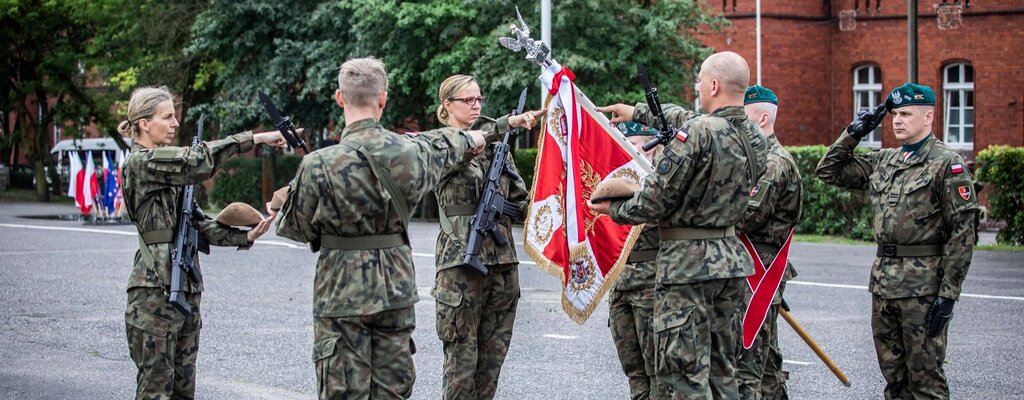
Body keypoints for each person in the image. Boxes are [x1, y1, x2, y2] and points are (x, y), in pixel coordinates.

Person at [274, 57, 493, 399]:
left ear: (339, 98)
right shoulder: (411, 151)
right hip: (396, 287)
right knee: (392, 390)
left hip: (340, 291)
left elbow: (294, 229)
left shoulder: (317, 164)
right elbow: (457, 143)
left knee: (343, 390)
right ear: (383, 99)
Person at [591, 51, 768, 399]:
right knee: (721, 371)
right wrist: (638, 111)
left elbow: (657, 197)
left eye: (700, 81)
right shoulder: (754, 137)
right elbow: (690, 120)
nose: (698, 87)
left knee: (682, 374)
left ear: (714, 85)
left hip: (688, 266)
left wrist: (613, 209)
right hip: (729, 262)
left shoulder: (698, 132)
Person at [118, 86, 284, 399]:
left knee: (183, 390)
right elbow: (197, 160)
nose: (174, 124)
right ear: (143, 123)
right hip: (153, 293)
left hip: (186, 289)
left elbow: (197, 224)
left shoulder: (171, 174)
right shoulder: (140, 164)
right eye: (167, 117)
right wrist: (257, 138)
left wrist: (244, 235)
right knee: (155, 390)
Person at [816, 82, 978, 399]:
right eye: (894, 115)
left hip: (924, 288)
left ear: (928, 116)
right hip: (884, 283)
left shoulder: (946, 163)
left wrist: (949, 294)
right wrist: (853, 133)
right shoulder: (885, 161)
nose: (898, 120)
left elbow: (963, 231)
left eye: (906, 113)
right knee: (894, 379)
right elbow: (828, 171)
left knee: (926, 380)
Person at [430, 74, 541, 400]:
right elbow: (463, 147)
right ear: (447, 104)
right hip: (460, 266)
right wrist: (507, 123)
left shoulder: (498, 150)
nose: (476, 105)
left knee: (491, 365)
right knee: (461, 365)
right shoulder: (439, 144)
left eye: (479, 99)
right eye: (468, 100)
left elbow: (521, 204)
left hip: (503, 266)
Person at [735, 85, 801, 400]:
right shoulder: (752, 158)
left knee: (748, 364)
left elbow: (746, 217)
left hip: (759, 272)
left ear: (762, 119)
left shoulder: (772, 163)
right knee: (766, 362)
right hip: (748, 269)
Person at [607, 122, 662, 400]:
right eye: (627, 143)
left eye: (639, 143)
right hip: (620, 284)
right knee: (634, 370)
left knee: (657, 371)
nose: (633, 149)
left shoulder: (662, 182)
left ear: (653, 147)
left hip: (651, 287)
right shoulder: (612, 182)